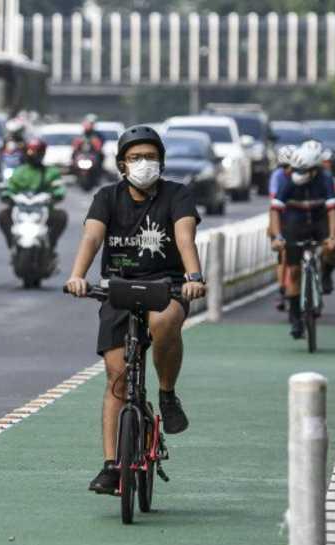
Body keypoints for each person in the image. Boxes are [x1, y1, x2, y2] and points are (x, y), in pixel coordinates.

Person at [63, 125, 206, 495]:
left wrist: (193, 275)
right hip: (118, 288)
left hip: (167, 286)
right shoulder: (107, 197)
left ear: (161, 161)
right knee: (116, 377)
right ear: (122, 165)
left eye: (151, 157)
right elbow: (92, 236)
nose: (144, 164)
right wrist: (77, 276)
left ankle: (167, 392)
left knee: (164, 321)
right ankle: (112, 465)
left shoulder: (178, 195)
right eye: (135, 158)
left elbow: (184, 237)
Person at [269, 140, 335, 339]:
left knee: (332, 249)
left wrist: (334, 237)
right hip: (295, 223)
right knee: (294, 271)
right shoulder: (286, 180)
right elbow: (275, 211)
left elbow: (333, 210)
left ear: (314, 169)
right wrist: (277, 237)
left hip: (319, 222)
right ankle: (295, 319)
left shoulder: (325, 179)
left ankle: (326, 274)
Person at [0, 138, 67, 255]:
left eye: (37, 152)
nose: (33, 155)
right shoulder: (19, 171)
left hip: (44, 209)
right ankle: (12, 243)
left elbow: (59, 187)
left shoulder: (51, 172)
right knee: (2, 215)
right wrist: (7, 195)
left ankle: (51, 246)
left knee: (61, 216)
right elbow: (9, 187)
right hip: (21, 208)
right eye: (31, 151)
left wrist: (55, 195)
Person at [270, 145, 297, 311]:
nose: (288, 171)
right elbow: (274, 205)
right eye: (284, 167)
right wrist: (274, 230)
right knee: (283, 252)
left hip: (302, 215)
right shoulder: (277, 177)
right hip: (284, 216)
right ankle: (281, 289)